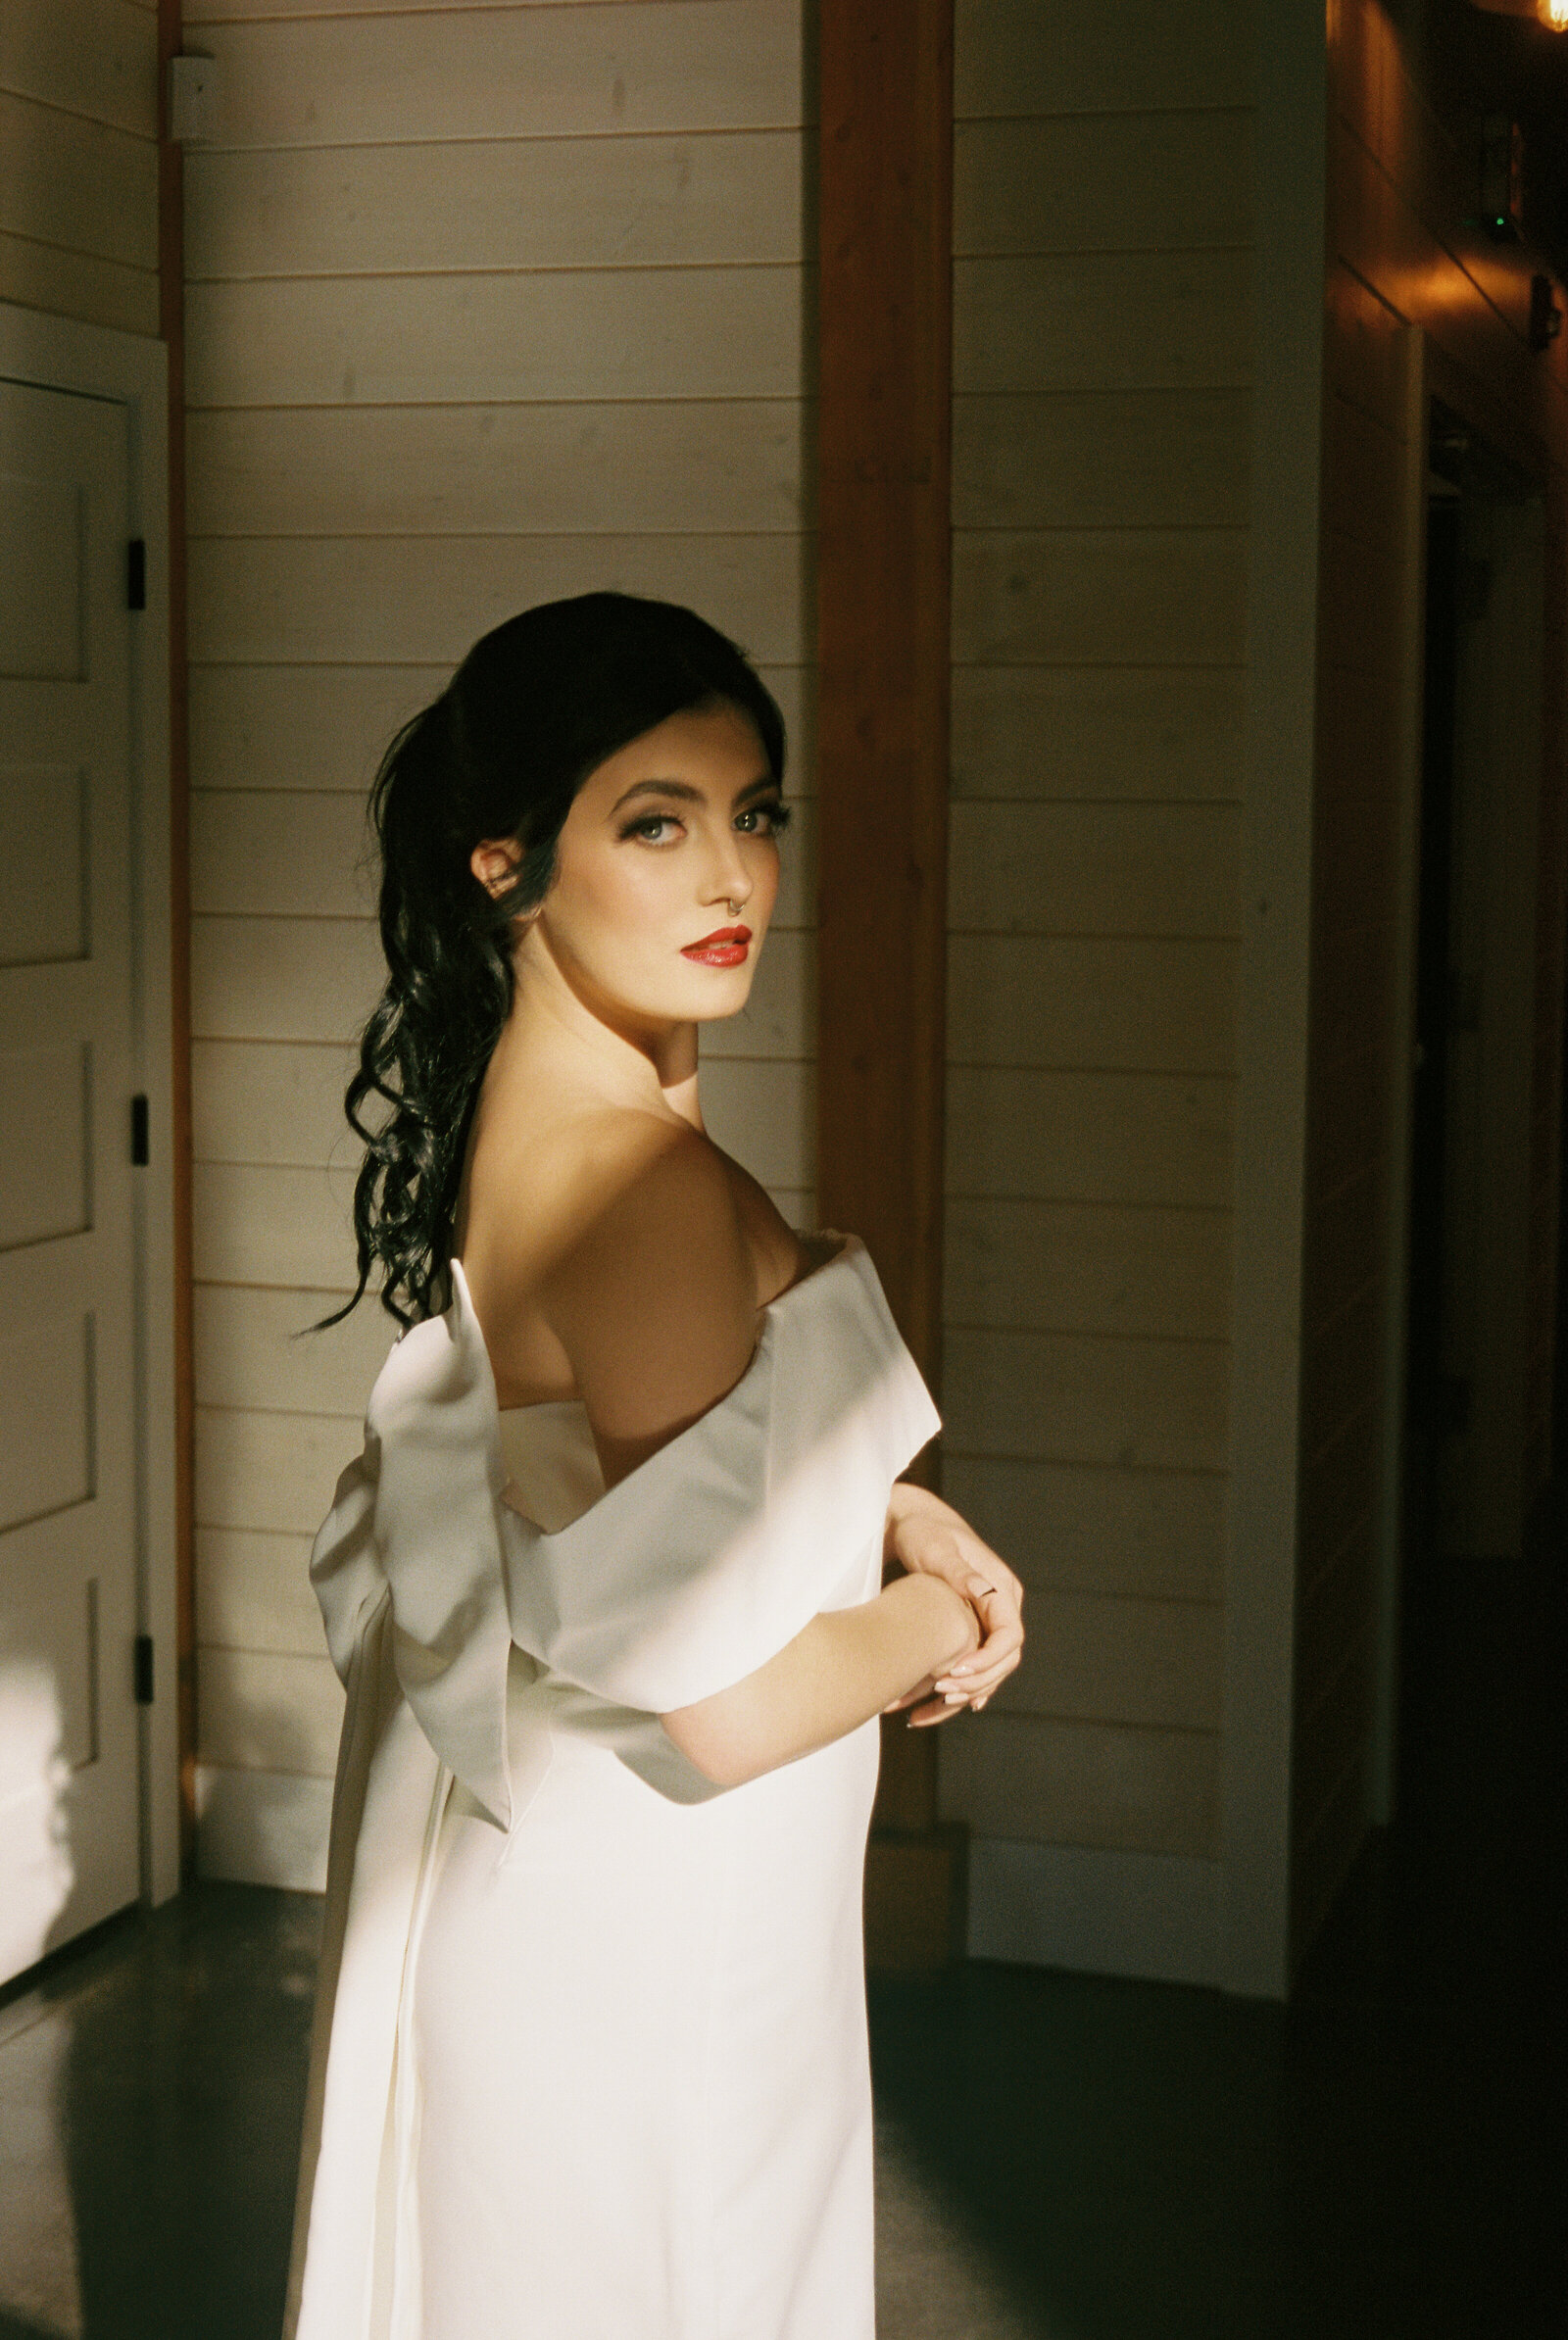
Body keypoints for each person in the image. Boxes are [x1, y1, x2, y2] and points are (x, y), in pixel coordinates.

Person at [285, 592, 1024, 2340]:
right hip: (657, 1928)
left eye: (753, 815)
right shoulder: (644, 1186)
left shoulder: (550, 1121)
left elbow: (627, 1477)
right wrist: (957, 1613)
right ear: (506, 864)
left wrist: (883, 1501)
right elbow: (720, 1707)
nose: (731, 881)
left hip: (583, 1902)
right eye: (655, 824)